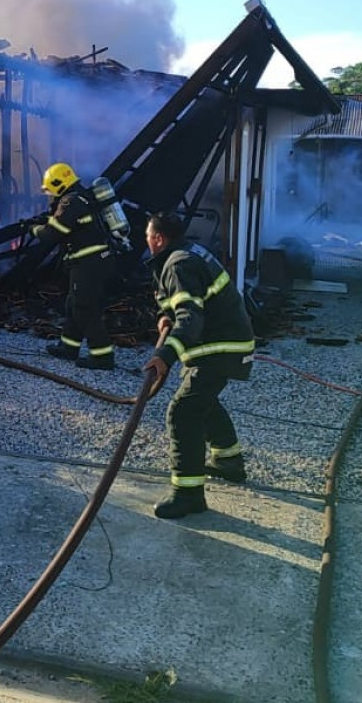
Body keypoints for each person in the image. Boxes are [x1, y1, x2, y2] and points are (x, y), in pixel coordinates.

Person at [141, 212, 256, 519]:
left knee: (183, 411)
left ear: (159, 239)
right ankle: (228, 460)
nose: (146, 242)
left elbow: (191, 316)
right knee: (202, 399)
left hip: (220, 347)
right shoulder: (188, 253)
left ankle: (188, 495)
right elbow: (185, 304)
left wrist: (164, 357)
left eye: (148, 236)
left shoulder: (178, 264)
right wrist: (166, 314)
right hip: (224, 342)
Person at [28, 162, 117, 370]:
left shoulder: (70, 202)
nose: (50, 195)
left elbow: (51, 234)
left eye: (51, 190)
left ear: (60, 184)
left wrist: (33, 229)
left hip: (89, 263)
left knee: (85, 306)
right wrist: (47, 220)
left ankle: (102, 355)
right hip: (94, 261)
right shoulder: (80, 197)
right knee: (73, 303)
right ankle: (69, 347)